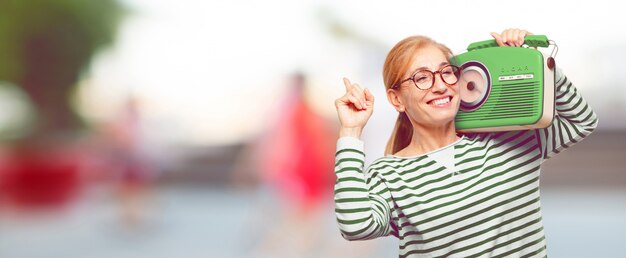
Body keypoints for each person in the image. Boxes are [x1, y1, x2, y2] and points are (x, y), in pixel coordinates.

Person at [333, 28, 598, 257]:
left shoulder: (508, 141)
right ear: (396, 99)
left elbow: (582, 121)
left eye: (447, 72)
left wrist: (537, 60)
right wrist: (350, 131)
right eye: (422, 77)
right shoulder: (388, 175)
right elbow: (356, 226)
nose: (440, 86)